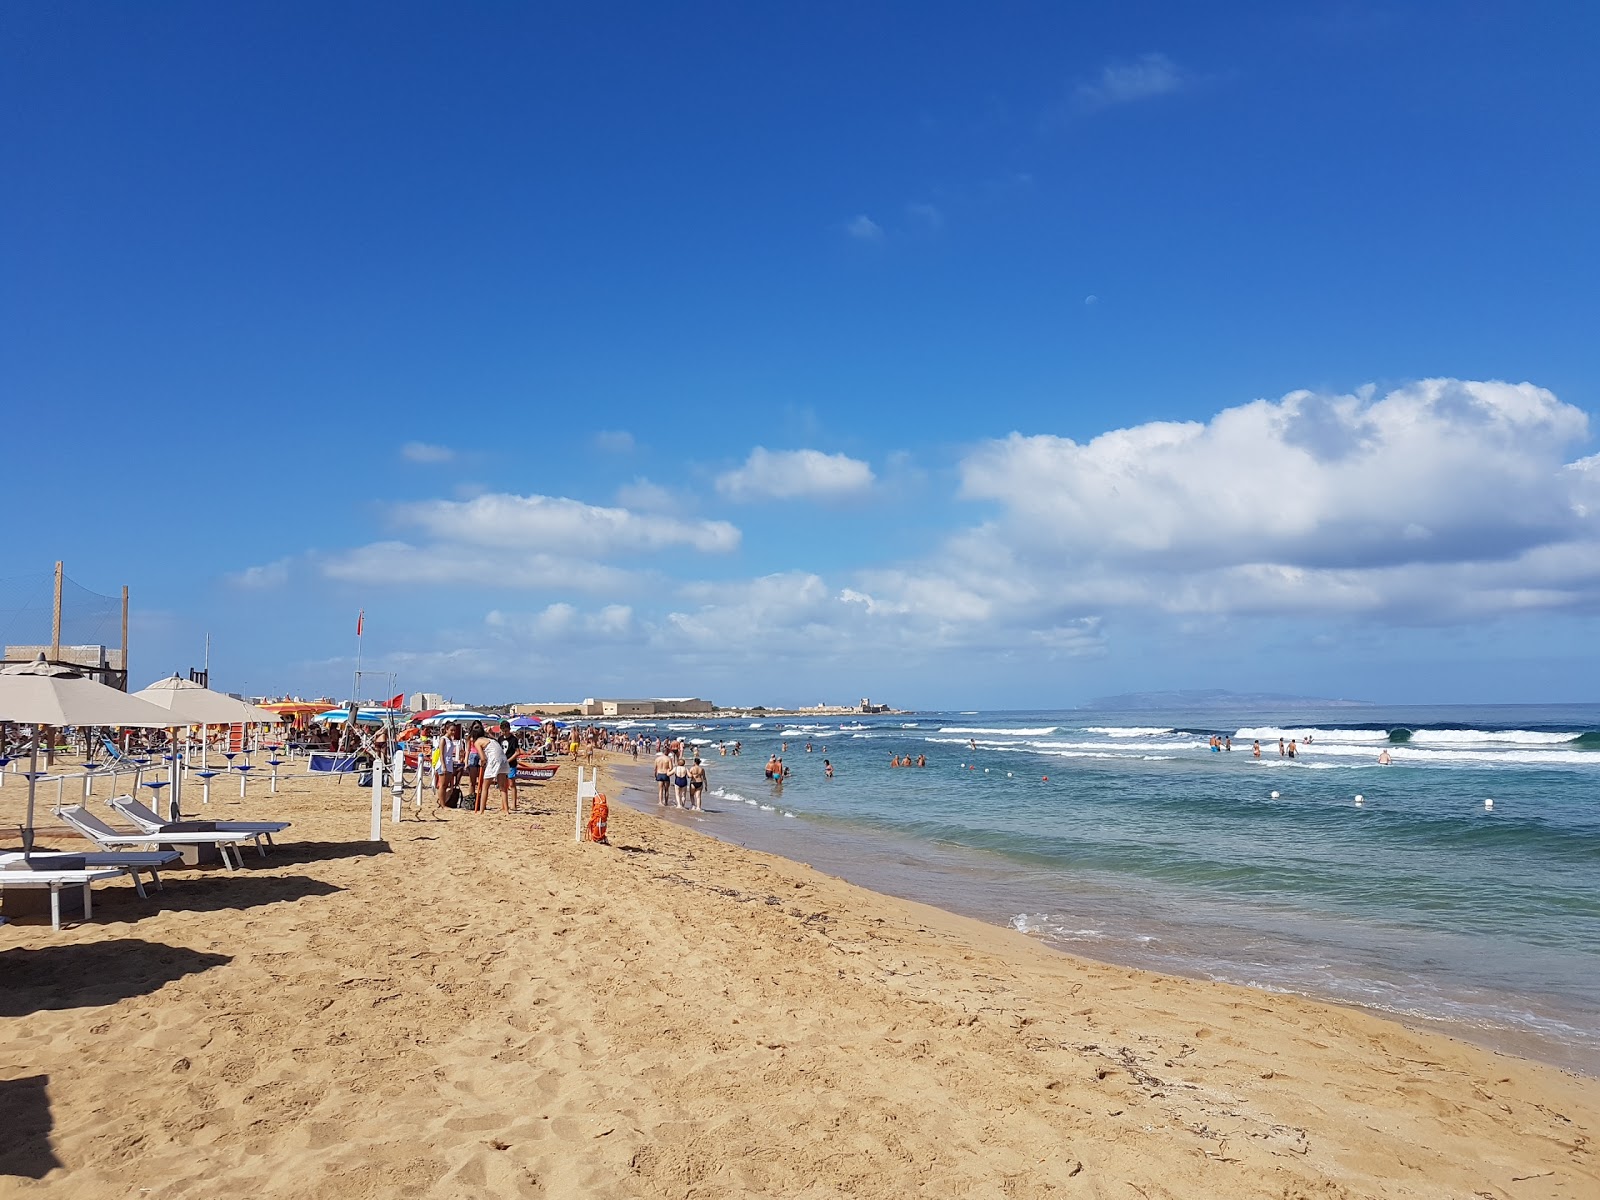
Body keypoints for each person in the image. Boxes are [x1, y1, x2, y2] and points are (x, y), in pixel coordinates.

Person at [477, 726, 511, 813]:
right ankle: (506, 810)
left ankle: (481, 810)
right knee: (503, 786)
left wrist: (482, 763)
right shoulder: (492, 740)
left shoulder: (477, 742)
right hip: (503, 759)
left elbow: (483, 758)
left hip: (494, 760)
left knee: (485, 787)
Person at [435, 722, 465, 813]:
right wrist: (443, 765)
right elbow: (441, 754)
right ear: (446, 729)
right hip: (443, 763)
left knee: (446, 785)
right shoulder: (443, 739)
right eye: (451, 730)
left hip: (449, 763)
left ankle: (444, 802)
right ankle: (442, 804)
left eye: (454, 730)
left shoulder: (450, 740)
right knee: (442, 785)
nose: (453, 732)